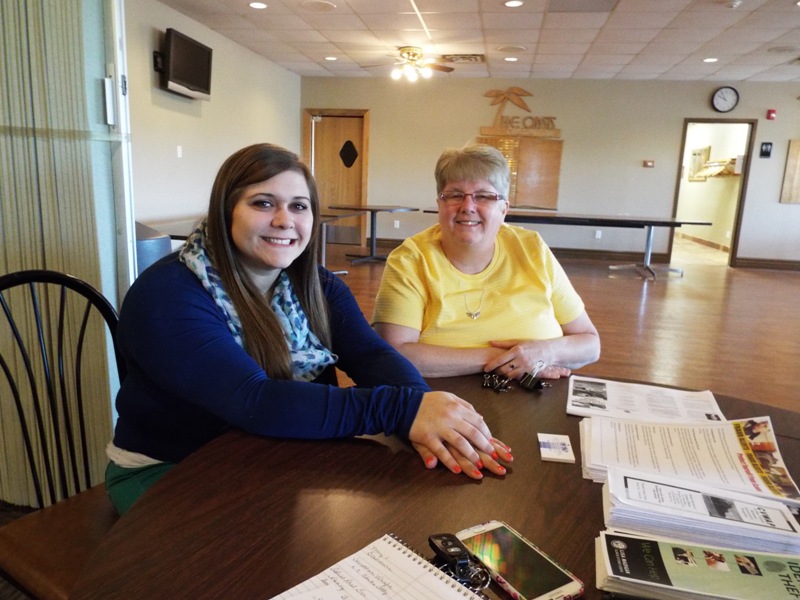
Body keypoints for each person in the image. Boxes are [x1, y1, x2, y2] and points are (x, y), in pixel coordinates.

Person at [105, 143, 511, 515]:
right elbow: (255, 401)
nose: (284, 220)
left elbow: (372, 356)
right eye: (263, 203)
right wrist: (402, 410)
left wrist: (425, 412)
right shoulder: (168, 294)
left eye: (299, 206)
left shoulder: (317, 285)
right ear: (225, 210)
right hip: (172, 469)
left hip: (275, 450)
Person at [373, 143, 600, 380]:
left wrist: (544, 352)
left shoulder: (532, 248)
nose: (468, 207)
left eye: (483, 196)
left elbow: (590, 344)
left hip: (538, 394)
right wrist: (504, 358)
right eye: (455, 195)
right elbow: (395, 355)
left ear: (503, 209)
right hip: (440, 397)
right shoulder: (410, 260)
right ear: (440, 204)